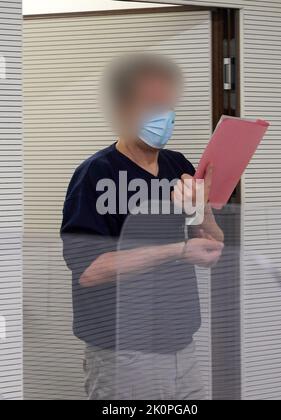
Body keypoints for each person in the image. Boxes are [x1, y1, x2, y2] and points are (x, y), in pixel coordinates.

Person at [61, 53, 224, 400]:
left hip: (181, 344)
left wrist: (201, 209)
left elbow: (211, 248)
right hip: (125, 350)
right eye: (151, 104)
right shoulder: (96, 174)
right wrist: (177, 250)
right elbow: (90, 270)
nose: (163, 115)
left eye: (166, 104)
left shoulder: (177, 164)